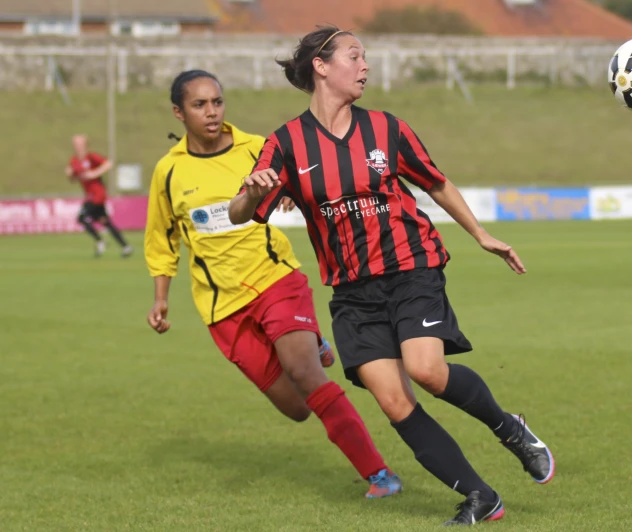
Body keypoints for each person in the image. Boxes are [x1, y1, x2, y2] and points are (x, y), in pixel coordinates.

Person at [229, 27, 555, 526]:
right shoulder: (286, 143)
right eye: (355, 57)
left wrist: (481, 234)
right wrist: (251, 191)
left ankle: (509, 428)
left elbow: (437, 182)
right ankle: (480, 497)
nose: (365, 66)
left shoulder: (386, 128)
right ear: (321, 65)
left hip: (410, 268)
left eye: (366, 58)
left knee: (425, 371)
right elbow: (238, 213)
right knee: (394, 400)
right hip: (351, 291)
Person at [144, 70, 401, 499]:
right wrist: (160, 299)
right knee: (298, 408)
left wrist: (289, 192)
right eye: (199, 105)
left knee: (305, 373)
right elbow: (161, 239)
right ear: (178, 112)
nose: (211, 112)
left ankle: (379, 475)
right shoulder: (168, 172)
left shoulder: (256, 148)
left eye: (217, 102)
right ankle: (313, 339)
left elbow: (309, 180)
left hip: (275, 279)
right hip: (222, 308)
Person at [66, 135, 132, 257]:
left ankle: (100, 241)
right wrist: (70, 175)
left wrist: (94, 173)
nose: (78, 146)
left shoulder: (91, 157)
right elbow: (73, 178)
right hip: (90, 195)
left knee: (82, 218)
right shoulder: (74, 161)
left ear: (85, 145)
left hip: (97, 195)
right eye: (75, 144)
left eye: (80, 144)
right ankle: (126, 247)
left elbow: (108, 164)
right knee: (105, 221)